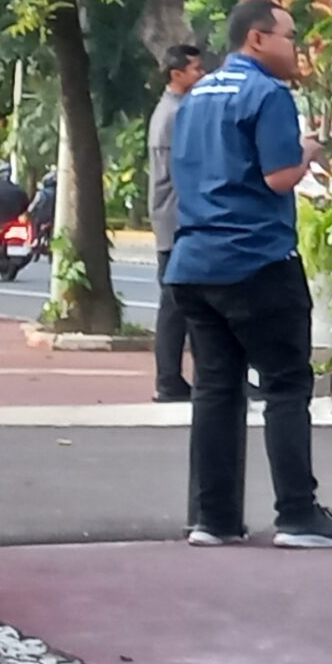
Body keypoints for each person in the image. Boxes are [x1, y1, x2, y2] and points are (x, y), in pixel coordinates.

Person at [165, 0, 332, 548]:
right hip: (256, 259)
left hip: (194, 262)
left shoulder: (197, 94)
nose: (295, 47)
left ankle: (214, 518)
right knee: (286, 385)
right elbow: (278, 177)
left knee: (216, 388)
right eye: (289, 36)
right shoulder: (267, 93)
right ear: (257, 39)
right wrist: (307, 150)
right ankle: (298, 514)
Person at [148, 43, 213, 403]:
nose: (201, 75)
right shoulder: (175, 115)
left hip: (174, 219)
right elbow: (184, 172)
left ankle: (175, 379)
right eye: (196, 70)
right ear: (177, 74)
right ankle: (169, 380)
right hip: (176, 221)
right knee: (176, 306)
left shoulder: (174, 111)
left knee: (179, 304)